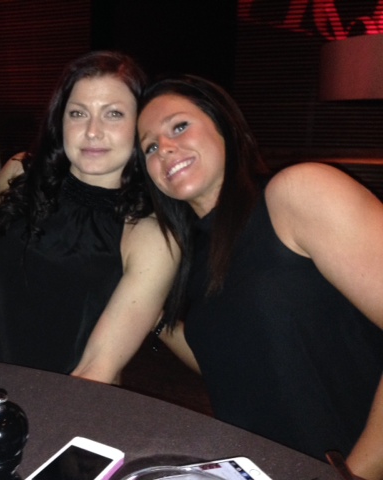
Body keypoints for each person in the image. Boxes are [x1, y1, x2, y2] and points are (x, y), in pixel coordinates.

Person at [137, 74, 383, 479]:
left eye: (178, 126)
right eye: (149, 147)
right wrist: (142, 307)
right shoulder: (186, 260)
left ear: (225, 125)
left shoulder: (296, 192)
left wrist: (355, 472)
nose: (163, 147)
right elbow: (233, 360)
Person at [0, 51, 178, 384]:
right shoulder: (19, 173)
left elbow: (96, 370)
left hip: (59, 401)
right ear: (60, 120)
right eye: (78, 113)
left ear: (139, 124)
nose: (92, 131)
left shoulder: (150, 235)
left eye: (113, 114)